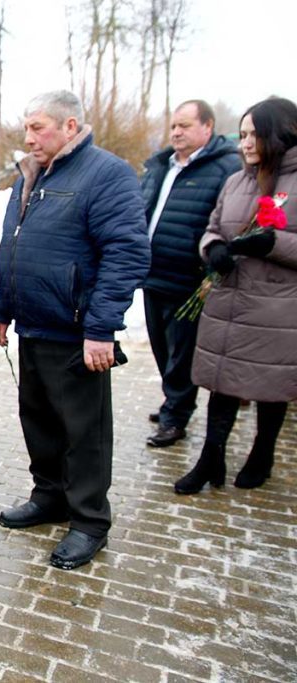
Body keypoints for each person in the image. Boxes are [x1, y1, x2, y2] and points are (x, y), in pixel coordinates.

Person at [0, 91, 149, 570]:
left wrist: (101, 328)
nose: (29, 137)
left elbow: (126, 254)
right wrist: (2, 306)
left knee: (84, 432)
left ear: (70, 125)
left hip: (77, 331)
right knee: (36, 419)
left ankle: (88, 521)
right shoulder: (30, 174)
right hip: (32, 325)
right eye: (27, 127)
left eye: (38, 127)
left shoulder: (106, 174)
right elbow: (14, 247)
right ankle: (49, 497)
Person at [176, 97, 297, 494]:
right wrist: (212, 249)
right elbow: (213, 227)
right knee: (222, 380)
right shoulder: (237, 180)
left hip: (277, 307)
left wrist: (273, 243)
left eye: (252, 135)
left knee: (270, 385)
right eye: (242, 134)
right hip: (229, 299)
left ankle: (262, 452)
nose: (244, 143)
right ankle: (211, 457)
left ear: (278, 134)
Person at [140, 100, 241, 448]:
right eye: (173, 127)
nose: (176, 133)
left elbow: (228, 221)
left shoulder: (224, 168)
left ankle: (176, 417)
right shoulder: (161, 165)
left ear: (208, 127)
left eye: (184, 125)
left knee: (182, 351)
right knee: (161, 346)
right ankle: (174, 400)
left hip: (189, 277)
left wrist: (211, 270)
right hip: (152, 272)